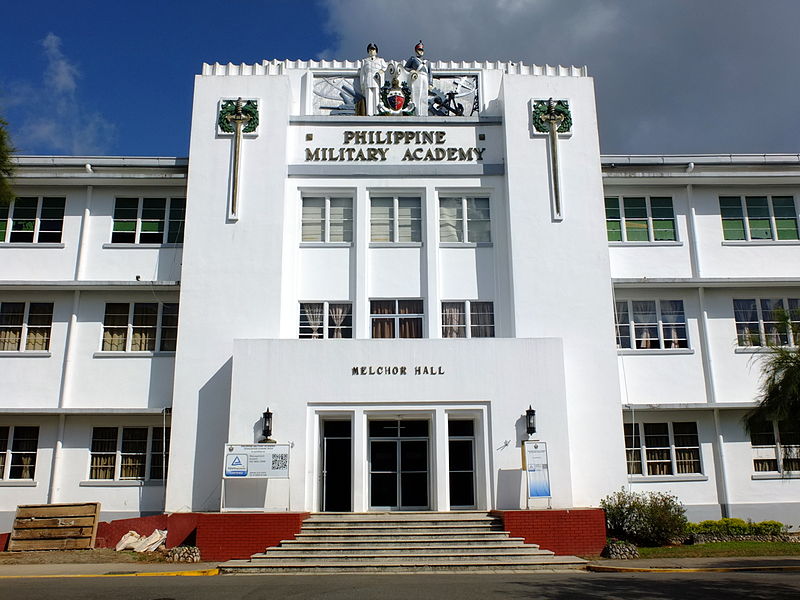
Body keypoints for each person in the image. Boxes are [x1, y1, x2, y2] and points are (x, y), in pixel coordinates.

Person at [358, 43, 386, 116]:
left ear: (376, 51)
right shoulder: (365, 61)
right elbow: (362, 73)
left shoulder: (380, 60)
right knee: (369, 96)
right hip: (368, 79)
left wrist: (380, 72)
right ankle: (369, 113)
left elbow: (385, 68)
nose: (372, 51)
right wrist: (362, 84)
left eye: (373, 49)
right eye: (370, 49)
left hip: (376, 80)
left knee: (376, 95)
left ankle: (376, 112)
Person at [404, 41, 430, 116]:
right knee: (416, 94)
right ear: (416, 51)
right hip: (417, 77)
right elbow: (406, 68)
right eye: (419, 50)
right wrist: (412, 70)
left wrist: (430, 83)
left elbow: (430, 73)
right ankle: (417, 112)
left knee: (424, 95)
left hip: (425, 77)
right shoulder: (413, 59)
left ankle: (424, 113)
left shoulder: (427, 62)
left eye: (422, 50)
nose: (421, 52)